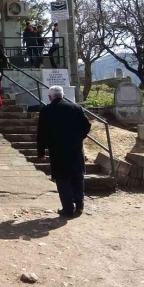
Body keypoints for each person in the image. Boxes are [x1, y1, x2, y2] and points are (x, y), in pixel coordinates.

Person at [37, 86, 92, 218]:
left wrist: (41, 152)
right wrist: (80, 137)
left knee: (62, 179)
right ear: (63, 95)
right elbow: (87, 125)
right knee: (77, 177)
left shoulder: (46, 110)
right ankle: (79, 206)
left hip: (57, 151)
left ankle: (67, 209)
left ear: (50, 97)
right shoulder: (76, 108)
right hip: (75, 149)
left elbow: (41, 133)